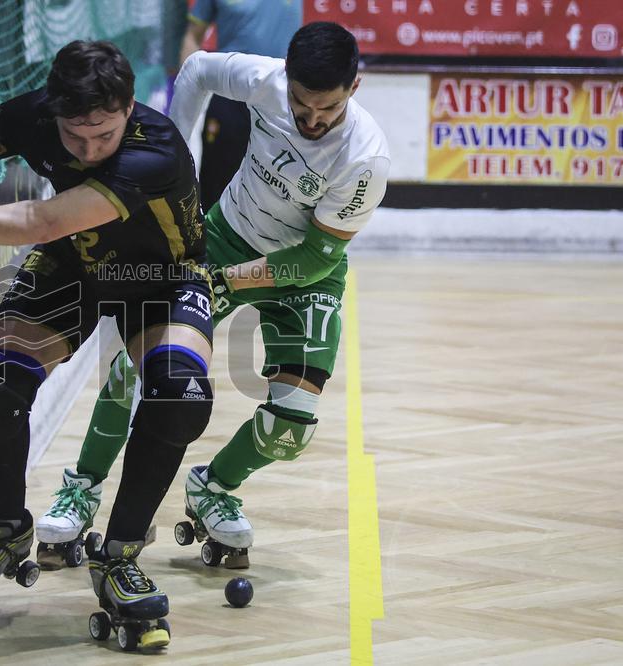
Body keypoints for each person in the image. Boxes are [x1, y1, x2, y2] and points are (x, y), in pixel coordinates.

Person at [36, 22, 389, 568]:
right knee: (142, 365)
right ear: (286, 78)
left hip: (307, 276)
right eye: (300, 103)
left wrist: (221, 282)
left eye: (328, 109)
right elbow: (198, 69)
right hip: (225, 237)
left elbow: (314, 257)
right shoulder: (265, 79)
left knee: (290, 430)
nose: (311, 119)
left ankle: (213, 486)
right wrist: (174, 168)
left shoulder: (365, 158)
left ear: (354, 88)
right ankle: (81, 488)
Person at [0, 40, 213, 647]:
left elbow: (40, 222)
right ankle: (5, 531)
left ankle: (119, 554)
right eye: (76, 138)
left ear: (129, 107)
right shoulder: (36, 116)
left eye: (104, 134)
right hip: (73, 268)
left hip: (160, 278)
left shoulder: (156, 151)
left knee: (180, 398)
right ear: (54, 112)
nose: (90, 149)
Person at [178, 0, 302, 213]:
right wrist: (188, 88)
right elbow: (193, 35)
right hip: (230, 98)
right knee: (217, 183)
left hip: (283, 100)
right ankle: (207, 242)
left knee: (281, 188)